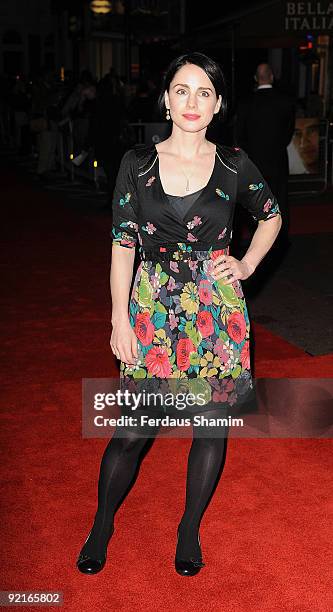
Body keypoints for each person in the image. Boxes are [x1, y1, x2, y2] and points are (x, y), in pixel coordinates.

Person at [76, 52, 282, 577]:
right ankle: (102, 523)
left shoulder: (235, 164)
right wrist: (120, 319)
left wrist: (248, 263)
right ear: (165, 100)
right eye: (182, 90)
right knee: (133, 431)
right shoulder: (136, 163)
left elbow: (271, 215)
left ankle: (188, 529)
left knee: (211, 429)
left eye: (204, 92)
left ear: (217, 105)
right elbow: (123, 246)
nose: (193, 102)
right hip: (153, 310)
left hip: (218, 312)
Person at [235, 63, 295, 242]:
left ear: (255, 78)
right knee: (280, 196)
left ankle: (256, 233)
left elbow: (240, 135)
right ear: (272, 77)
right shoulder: (285, 101)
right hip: (277, 159)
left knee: (253, 199)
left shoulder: (246, 103)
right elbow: (288, 132)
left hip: (253, 162)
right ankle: (280, 234)